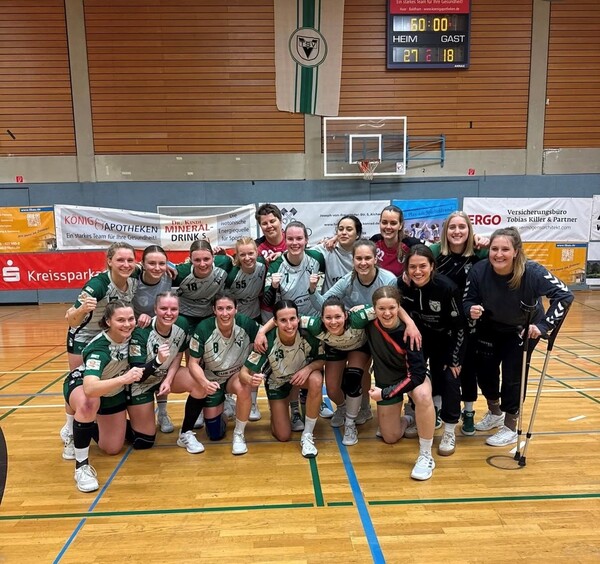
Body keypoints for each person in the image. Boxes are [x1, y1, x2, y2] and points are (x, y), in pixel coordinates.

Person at [464, 226, 574, 446]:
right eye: (494, 248)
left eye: (505, 249)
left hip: (522, 331)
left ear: (516, 251)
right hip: (490, 327)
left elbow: (564, 295)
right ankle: (495, 412)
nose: (499, 254)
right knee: (485, 373)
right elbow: (468, 300)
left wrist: (543, 326)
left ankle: (510, 426)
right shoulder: (479, 270)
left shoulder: (532, 271)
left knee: (513, 377)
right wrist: (470, 309)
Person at [309, 239, 421, 427]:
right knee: (338, 383)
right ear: (352, 260)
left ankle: (369, 407)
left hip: (375, 332)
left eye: (368, 258)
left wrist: (410, 323)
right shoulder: (348, 280)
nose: (363, 262)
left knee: (362, 373)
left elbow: (394, 306)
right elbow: (323, 305)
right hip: (350, 331)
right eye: (359, 258)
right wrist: (313, 290)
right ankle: (350, 407)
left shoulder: (387, 279)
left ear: (376, 259)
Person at [256, 296, 375, 446]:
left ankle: (350, 424)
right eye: (328, 318)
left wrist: (365, 305)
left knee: (353, 378)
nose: (333, 322)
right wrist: (261, 332)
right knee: (332, 389)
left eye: (338, 316)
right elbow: (286, 317)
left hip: (359, 348)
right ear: (321, 318)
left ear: (345, 315)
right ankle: (342, 407)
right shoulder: (314, 325)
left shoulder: (357, 319)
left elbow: (385, 306)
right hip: (335, 349)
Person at [62, 242, 138, 460]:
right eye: (120, 260)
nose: (126, 264)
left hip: (113, 334)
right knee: (82, 387)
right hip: (85, 338)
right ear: (109, 261)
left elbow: (154, 265)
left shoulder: (133, 276)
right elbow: (70, 318)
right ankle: (70, 430)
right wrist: (82, 309)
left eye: (130, 260)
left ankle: (100, 424)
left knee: (105, 384)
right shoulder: (98, 285)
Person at [63, 301, 147, 493]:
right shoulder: (99, 348)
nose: (127, 324)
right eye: (120, 320)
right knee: (88, 403)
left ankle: (82, 426)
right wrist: (124, 379)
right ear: (108, 321)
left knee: (112, 448)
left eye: (131, 319)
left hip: (112, 391)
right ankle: (81, 466)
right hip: (82, 384)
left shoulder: (135, 335)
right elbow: (90, 388)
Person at [398, 245, 466, 456]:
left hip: (447, 339)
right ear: (406, 269)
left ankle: (449, 430)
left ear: (432, 266)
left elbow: (460, 327)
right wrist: (410, 323)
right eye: (412, 267)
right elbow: (395, 305)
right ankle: (422, 417)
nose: (417, 271)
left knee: (450, 378)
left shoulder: (446, 287)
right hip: (420, 338)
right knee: (415, 376)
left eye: (422, 266)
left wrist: (455, 358)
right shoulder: (403, 285)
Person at [263, 220, 331, 426]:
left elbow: (321, 288)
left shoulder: (317, 258)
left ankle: (314, 400)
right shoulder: (277, 264)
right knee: (292, 366)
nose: (295, 243)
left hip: (312, 321)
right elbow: (267, 302)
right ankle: (294, 409)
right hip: (289, 325)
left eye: (299, 238)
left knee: (314, 363)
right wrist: (273, 287)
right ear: (285, 240)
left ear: (306, 240)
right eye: (291, 239)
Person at [366, 286, 436, 481]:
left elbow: (416, 376)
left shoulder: (410, 332)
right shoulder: (369, 323)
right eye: (381, 308)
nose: (387, 313)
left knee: (423, 395)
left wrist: (385, 394)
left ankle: (426, 455)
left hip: (413, 376)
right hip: (387, 378)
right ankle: (409, 418)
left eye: (392, 308)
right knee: (390, 437)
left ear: (399, 307)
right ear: (374, 309)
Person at [241, 299, 325, 458]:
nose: (289, 325)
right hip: (277, 382)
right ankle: (278, 411)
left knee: (316, 379)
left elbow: (322, 360)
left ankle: (307, 435)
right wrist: (250, 380)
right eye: (283, 320)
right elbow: (243, 372)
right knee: (283, 435)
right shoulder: (267, 340)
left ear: (298, 319)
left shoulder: (308, 334)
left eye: (292, 319)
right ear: (275, 322)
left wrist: (308, 369)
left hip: (300, 378)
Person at [429, 211, 488, 435]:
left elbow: (504, 250)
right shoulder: (435, 253)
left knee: (468, 369)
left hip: (470, 323)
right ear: (445, 231)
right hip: (440, 324)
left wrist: (486, 240)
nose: (457, 231)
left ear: (470, 230)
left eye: (462, 227)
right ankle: (436, 408)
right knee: (438, 366)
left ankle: (469, 412)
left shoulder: (480, 253)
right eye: (452, 227)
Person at [128, 291, 208, 451]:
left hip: (164, 375)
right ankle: (112, 422)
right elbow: (138, 376)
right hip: (141, 383)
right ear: (155, 309)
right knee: (144, 441)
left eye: (174, 309)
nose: (169, 313)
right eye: (164, 308)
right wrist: (157, 361)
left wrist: (168, 380)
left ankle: (185, 433)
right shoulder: (141, 331)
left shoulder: (182, 324)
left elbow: (178, 354)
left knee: (200, 383)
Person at [183, 292, 260, 455]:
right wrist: (204, 383)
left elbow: (265, 336)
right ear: (214, 310)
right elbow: (192, 363)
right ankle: (224, 406)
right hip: (213, 379)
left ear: (236, 309)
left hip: (234, 376)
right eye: (220, 309)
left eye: (229, 308)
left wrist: (251, 365)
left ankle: (239, 434)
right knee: (215, 434)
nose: (225, 313)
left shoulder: (246, 323)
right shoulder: (204, 328)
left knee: (244, 386)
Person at [131, 245, 175, 433]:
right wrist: (136, 318)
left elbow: (194, 265)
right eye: (152, 263)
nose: (157, 268)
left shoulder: (169, 275)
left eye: (161, 263)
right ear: (142, 264)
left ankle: (163, 413)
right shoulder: (133, 279)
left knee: (162, 368)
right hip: (138, 331)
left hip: (161, 329)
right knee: (142, 372)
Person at [225, 237, 267, 422]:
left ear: (257, 253)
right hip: (233, 322)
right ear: (237, 256)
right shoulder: (232, 274)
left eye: (251, 253)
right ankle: (227, 399)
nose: (247, 258)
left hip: (254, 319)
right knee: (229, 361)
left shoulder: (263, 267)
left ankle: (253, 403)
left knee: (253, 362)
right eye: (243, 254)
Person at [313, 214, 363, 293]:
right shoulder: (327, 248)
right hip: (330, 300)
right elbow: (301, 253)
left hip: (356, 300)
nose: (344, 232)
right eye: (341, 229)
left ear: (357, 235)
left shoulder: (364, 253)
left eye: (349, 229)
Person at [370, 205, 423, 276]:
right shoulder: (374, 241)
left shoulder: (412, 245)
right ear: (380, 223)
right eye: (384, 222)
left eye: (393, 223)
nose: (388, 227)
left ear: (400, 225)